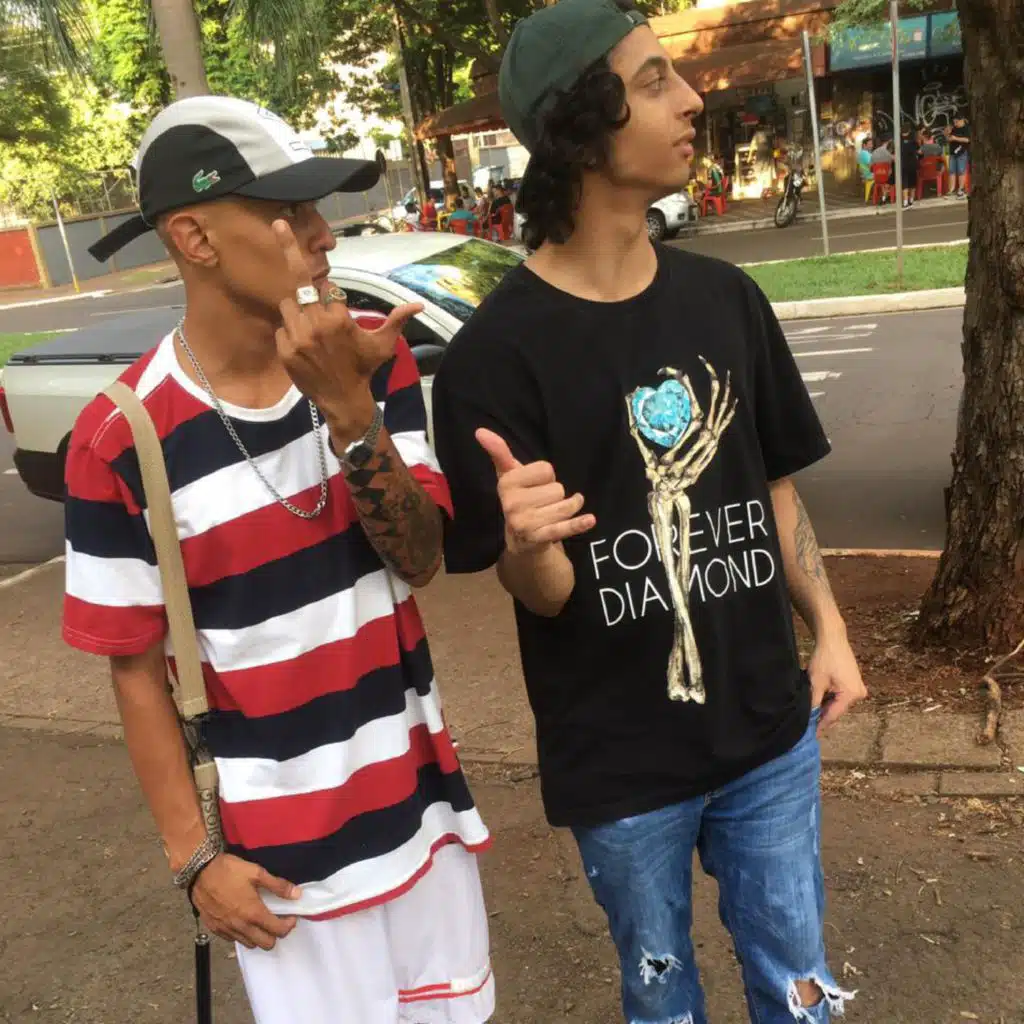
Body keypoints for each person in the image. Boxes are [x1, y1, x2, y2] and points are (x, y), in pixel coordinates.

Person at [432, 2, 867, 1022]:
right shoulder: (493, 359)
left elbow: (774, 486)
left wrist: (832, 629)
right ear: (584, 123)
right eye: (655, 80)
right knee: (662, 1002)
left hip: (768, 734)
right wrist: (527, 542)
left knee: (799, 990)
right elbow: (541, 594)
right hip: (623, 767)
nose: (693, 99)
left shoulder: (726, 299)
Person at [65, 96, 493, 1024]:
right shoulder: (119, 440)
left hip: (424, 814)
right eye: (288, 213)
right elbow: (134, 671)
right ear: (195, 238)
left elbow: (420, 558)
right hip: (280, 871)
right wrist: (193, 859)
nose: (322, 235)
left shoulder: (371, 360)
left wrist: (350, 410)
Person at [948, 114, 970, 197]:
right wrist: (948, 136)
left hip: (962, 152)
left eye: (956, 122)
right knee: (951, 171)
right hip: (952, 152)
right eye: (954, 122)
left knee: (961, 171)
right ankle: (951, 189)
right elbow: (949, 138)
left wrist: (955, 138)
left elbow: (967, 140)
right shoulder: (954, 128)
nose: (955, 124)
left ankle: (961, 189)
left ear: (961, 120)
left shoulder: (966, 128)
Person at [900, 125, 918, 208]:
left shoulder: (898, 140)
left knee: (905, 183)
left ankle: (905, 202)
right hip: (912, 164)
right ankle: (911, 200)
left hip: (903, 164)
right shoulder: (913, 140)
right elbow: (918, 151)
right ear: (909, 130)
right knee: (912, 182)